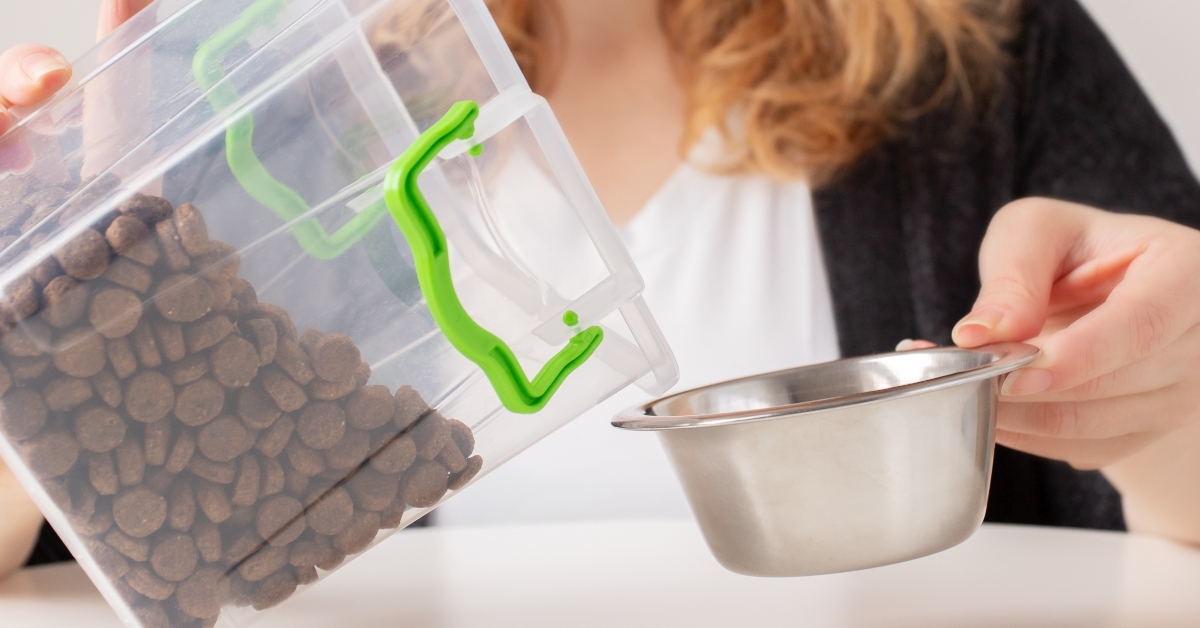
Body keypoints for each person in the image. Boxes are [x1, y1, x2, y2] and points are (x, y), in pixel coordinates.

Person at [3, 0, 1200, 579]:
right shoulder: (249, 108)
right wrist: (31, 349)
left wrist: (1160, 410)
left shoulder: (987, 47)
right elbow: (108, 553)